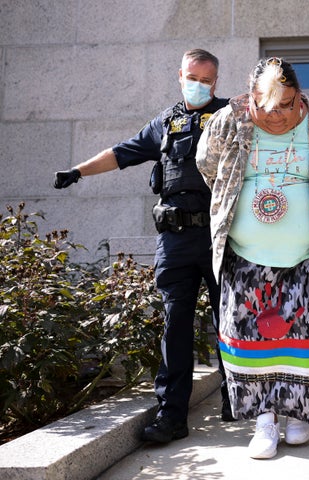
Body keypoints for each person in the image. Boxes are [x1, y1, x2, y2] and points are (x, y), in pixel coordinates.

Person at [53, 48, 235, 444]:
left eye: (207, 80)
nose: (199, 85)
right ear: (180, 74)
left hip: (220, 238)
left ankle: (236, 400)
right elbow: (122, 153)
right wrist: (78, 171)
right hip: (174, 241)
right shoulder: (164, 124)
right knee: (175, 327)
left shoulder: (229, 117)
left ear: (216, 82)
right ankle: (172, 417)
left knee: (230, 323)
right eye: (193, 77)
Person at [195, 57, 309, 459]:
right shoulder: (226, 122)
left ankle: (299, 415)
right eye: (268, 107)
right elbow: (208, 168)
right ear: (251, 99)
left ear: (299, 97)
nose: (279, 115)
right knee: (248, 338)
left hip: (305, 254)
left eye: (287, 105)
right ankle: (263, 421)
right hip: (245, 255)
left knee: (304, 338)